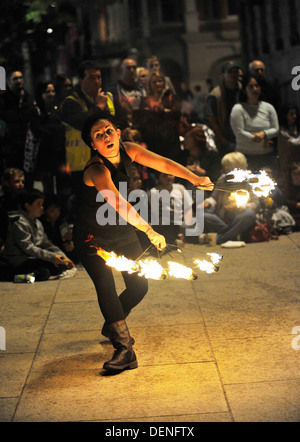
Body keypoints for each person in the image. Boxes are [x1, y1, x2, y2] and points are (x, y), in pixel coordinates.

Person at [73, 111, 213, 373]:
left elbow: (164, 164)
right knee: (106, 286)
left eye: (108, 130)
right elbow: (117, 203)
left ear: (117, 131)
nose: (105, 136)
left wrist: (194, 178)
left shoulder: (129, 150)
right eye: (98, 135)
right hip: (93, 237)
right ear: (93, 144)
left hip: (121, 231)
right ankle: (124, 348)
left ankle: (112, 323)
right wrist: (150, 231)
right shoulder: (97, 169)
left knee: (139, 287)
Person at [61, 60, 114, 196]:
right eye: (91, 77)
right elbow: (83, 124)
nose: (97, 81)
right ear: (80, 80)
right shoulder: (70, 102)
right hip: (80, 165)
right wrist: (97, 108)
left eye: (99, 77)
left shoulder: (107, 98)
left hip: (106, 159)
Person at [4, 189, 75, 281]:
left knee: (58, 267)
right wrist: (52, 257)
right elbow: (28, 248)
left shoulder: (37, 222)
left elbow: (46, 243)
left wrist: (63, 257)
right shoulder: (19, 223)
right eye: (38, 204)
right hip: (19, 260)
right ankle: (13, 277)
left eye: (42, 204)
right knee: (43, 274)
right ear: (27, 206)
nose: (42, 207)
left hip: (31, 258)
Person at [202, 152, 258, 245]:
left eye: (229, 166)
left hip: (239, 216)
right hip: (222, 217)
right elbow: (214, 197)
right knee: (203, 215)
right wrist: (208, 202)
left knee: (249, 214)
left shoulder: (248, 182)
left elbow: (255, 204)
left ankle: (221, 238)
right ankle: (233, 234)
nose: (225, 169)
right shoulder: (222, 179)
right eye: (225, 166)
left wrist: (239, 206)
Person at [230, 73, 279, 173]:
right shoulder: (238, 109)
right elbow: (239, 133)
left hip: (266, 156)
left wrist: (264, 134)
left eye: (257, 86)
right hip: (244, 156)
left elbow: (276, 129)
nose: (255, 89)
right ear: (244, 90)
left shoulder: (268, 107)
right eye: (251, 87)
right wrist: (257, 138)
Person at [27, 81, 66, 194]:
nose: (51, 94)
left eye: (53, 91)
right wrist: (56, 129)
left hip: (57, 154)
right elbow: (38, 130)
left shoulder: (56, 109)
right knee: (48, 187)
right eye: (47, 91)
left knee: (60, 185)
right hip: (43, 156)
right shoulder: (36, 111)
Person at [138, 72, 184, 163]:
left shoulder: (170, 97)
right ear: (149, 84)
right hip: (153, 138)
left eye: (160, 81)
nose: (157, 84)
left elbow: (177, 113)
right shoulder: (145, 100)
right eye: (154, 82)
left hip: (171, 137)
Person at [0, 69, 34, 169]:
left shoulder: (28, 98)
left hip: (26, 146)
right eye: (15, 79)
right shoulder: (3, 100)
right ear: (8, 81)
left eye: (20, 78)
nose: (19, 81)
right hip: (10, 147)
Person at [206, 60, 241, 157]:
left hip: (242, 138)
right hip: (226, 138)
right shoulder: (216, 95)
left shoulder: (243, 90)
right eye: (230, 72)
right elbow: (212, 120)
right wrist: (223, 140)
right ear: (223, 75)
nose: (234, 75)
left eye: (236, 71)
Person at [108, 58, 146, 128]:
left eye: (134, 67)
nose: (132, 70)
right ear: (121, 70)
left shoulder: (142, 89)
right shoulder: (113, 90)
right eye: (128, 68)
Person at [277, 105, 300, 196]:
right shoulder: (281, 129)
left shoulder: (295, 127)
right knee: (288, 184)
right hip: (286, 161)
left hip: (296, 160)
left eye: (295, 114)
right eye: (291, 114)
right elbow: (290, 142)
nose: (294, 116)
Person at [284, 161, 300, 228]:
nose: (296, 176)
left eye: (299, 174)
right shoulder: (288, 185)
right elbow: (285, 200)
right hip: (292, 212)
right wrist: (296, 204)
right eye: (294, 174)